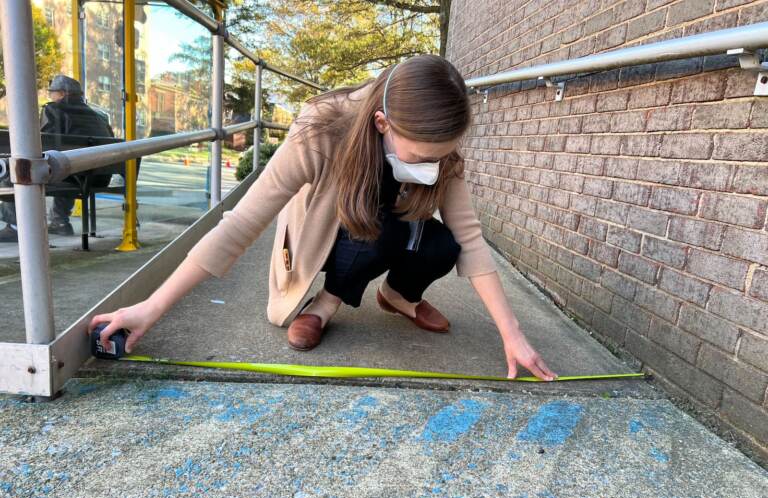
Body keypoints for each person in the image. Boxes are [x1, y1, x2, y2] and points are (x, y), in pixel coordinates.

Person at [89, 55, 557, 381]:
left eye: (442, 156)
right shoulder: (323, 127)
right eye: (420, 155)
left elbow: (471, 240)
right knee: (381, 229)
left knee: (444, 244)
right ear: (382, 124)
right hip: (333, 234)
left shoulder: (438, 141)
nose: (431, 167)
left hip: (389, 231)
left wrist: (512, 335)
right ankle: (324, 304)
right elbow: (242, 221)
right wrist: (152, 306)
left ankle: (398, 295)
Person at [0, 74, 114, 242]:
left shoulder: (53, 109)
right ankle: (60, 222)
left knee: (13, 174)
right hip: (99, 177)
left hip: (73, 175)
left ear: (62, 93)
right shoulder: (99, 116)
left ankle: (16, 227)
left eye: (52, 92)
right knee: (68, 165)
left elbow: (43, 143)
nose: (50, 96)